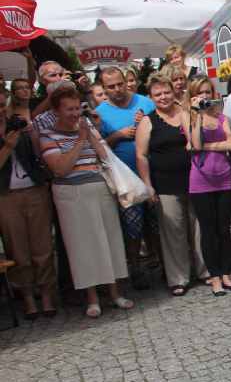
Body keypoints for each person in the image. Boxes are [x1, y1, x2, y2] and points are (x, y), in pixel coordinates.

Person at [37, 86, 133, 317]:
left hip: (99, 187)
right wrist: (80, 140)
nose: (74, 113)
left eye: (77, 108)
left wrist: (92, 132)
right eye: (69, 109)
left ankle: (114, 293)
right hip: (71, 194)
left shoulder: (86, 125)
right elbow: (60, 168)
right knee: (83, 247)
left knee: (109, 240)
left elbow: (103, 155)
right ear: (57, 111)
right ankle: (91, 297)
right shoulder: (48, 135)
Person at [136, 75, 207, 296]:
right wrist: (148, 185)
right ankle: (178, 277)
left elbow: (195, 144)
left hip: (194, 179)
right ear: (151, 97)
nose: (163, 97)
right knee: (173, 231)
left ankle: (204, 270)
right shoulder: (148, 121)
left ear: (172, 92)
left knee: (198, 228)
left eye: (166, 92)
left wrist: (193, 116)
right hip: (165, 184)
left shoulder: (185, 114)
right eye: (158, 94)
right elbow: (141, 155)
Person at [94, 66, 157, 289]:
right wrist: (117, 136)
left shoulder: (145, 103)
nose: (118, 89)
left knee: (156, 222)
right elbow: (97, 148)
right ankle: (135, 266)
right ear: (104, 88)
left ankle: (159, 263)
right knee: (133, 225)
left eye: (120, 84)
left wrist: (146, 124)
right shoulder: (100, 113)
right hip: (124, 178)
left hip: (153, 173)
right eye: (111, 87)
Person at [186, 78, 231, 295]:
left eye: (208, 92)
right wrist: (197, 114)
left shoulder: (221, 117)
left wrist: (209, 146)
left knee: (224, 229)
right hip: (201, 181)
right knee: (208, 231)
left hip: (224, 178)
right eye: (201, 93)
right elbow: (195, 143)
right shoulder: (190, 117)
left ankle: (226, 273)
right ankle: (214, 276)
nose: (206, 97)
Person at [0, 104, 55, 318]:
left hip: (34, 189)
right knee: (17, 249)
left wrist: (32, 135)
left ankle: (47, 294)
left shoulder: (18, 122)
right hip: (6, 195)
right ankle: (28, 298)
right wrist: (7, 146)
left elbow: (39, 156)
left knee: (42, 245)